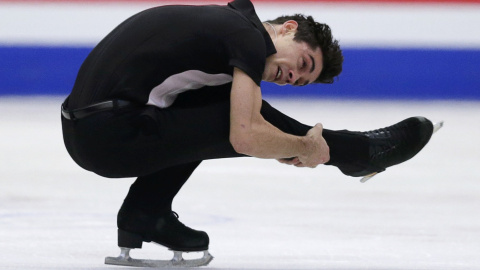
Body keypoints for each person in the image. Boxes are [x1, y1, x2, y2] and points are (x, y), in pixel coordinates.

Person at [61, 0, 436, 266]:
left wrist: (291, 144)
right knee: (233, 113)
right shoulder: (246, 37)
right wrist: (304, 147)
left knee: (230, 104)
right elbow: (244, 135)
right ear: (288, 29)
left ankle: (144, 215)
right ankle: (355, 152)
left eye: (300, 82)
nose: (292, 78)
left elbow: (250, 122)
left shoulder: (228, 27)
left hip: (91, 128)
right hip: (107, 136)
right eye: (302, 63)